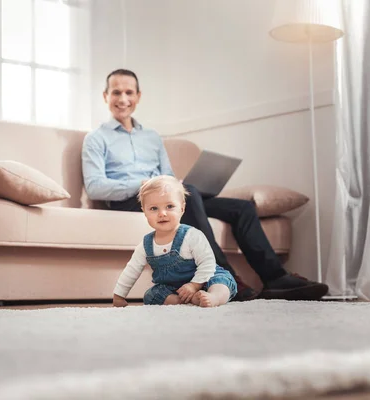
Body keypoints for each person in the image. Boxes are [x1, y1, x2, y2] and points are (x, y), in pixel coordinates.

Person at [82, 68, 329, 301]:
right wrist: (144, 184)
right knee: (191, 195)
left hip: (166, 198)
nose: (123, 99)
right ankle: (223, 277)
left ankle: (275, 278)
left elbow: (167, 174)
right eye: (116, 92)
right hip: (133, 202)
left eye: (129, 92)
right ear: (106, 96)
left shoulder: (152, 137)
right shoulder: (96, 138)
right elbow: (95, 187)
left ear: (138, 96)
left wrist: (174, 185)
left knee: (240, 209)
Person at [113, 175, 237, 308]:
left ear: (182, 208)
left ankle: (214, 298)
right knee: (151, 295)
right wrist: (119, 295)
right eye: (154, 208)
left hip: (205, 280)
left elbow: (208, 263)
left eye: (169, 206)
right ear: (144, 212)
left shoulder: (192, 235)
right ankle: (185, 300)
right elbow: (131, 270)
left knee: (221, 281)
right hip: (175, 289)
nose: (162, 214)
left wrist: (194, 285)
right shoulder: (145, 244)